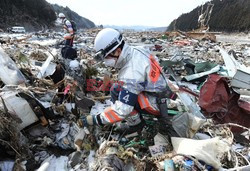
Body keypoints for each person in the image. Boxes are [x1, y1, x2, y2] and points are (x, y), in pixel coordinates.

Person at [77, 28, 179, 137]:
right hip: (164, 93)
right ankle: (137, 119)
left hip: (158, 104)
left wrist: (94, 119)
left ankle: (136, 126)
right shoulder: (137, 50)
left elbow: (123, 110)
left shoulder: (131, 72)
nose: (106, 61)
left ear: (117, 51)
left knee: (118, 94)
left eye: (106, 57)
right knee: (116, 88)